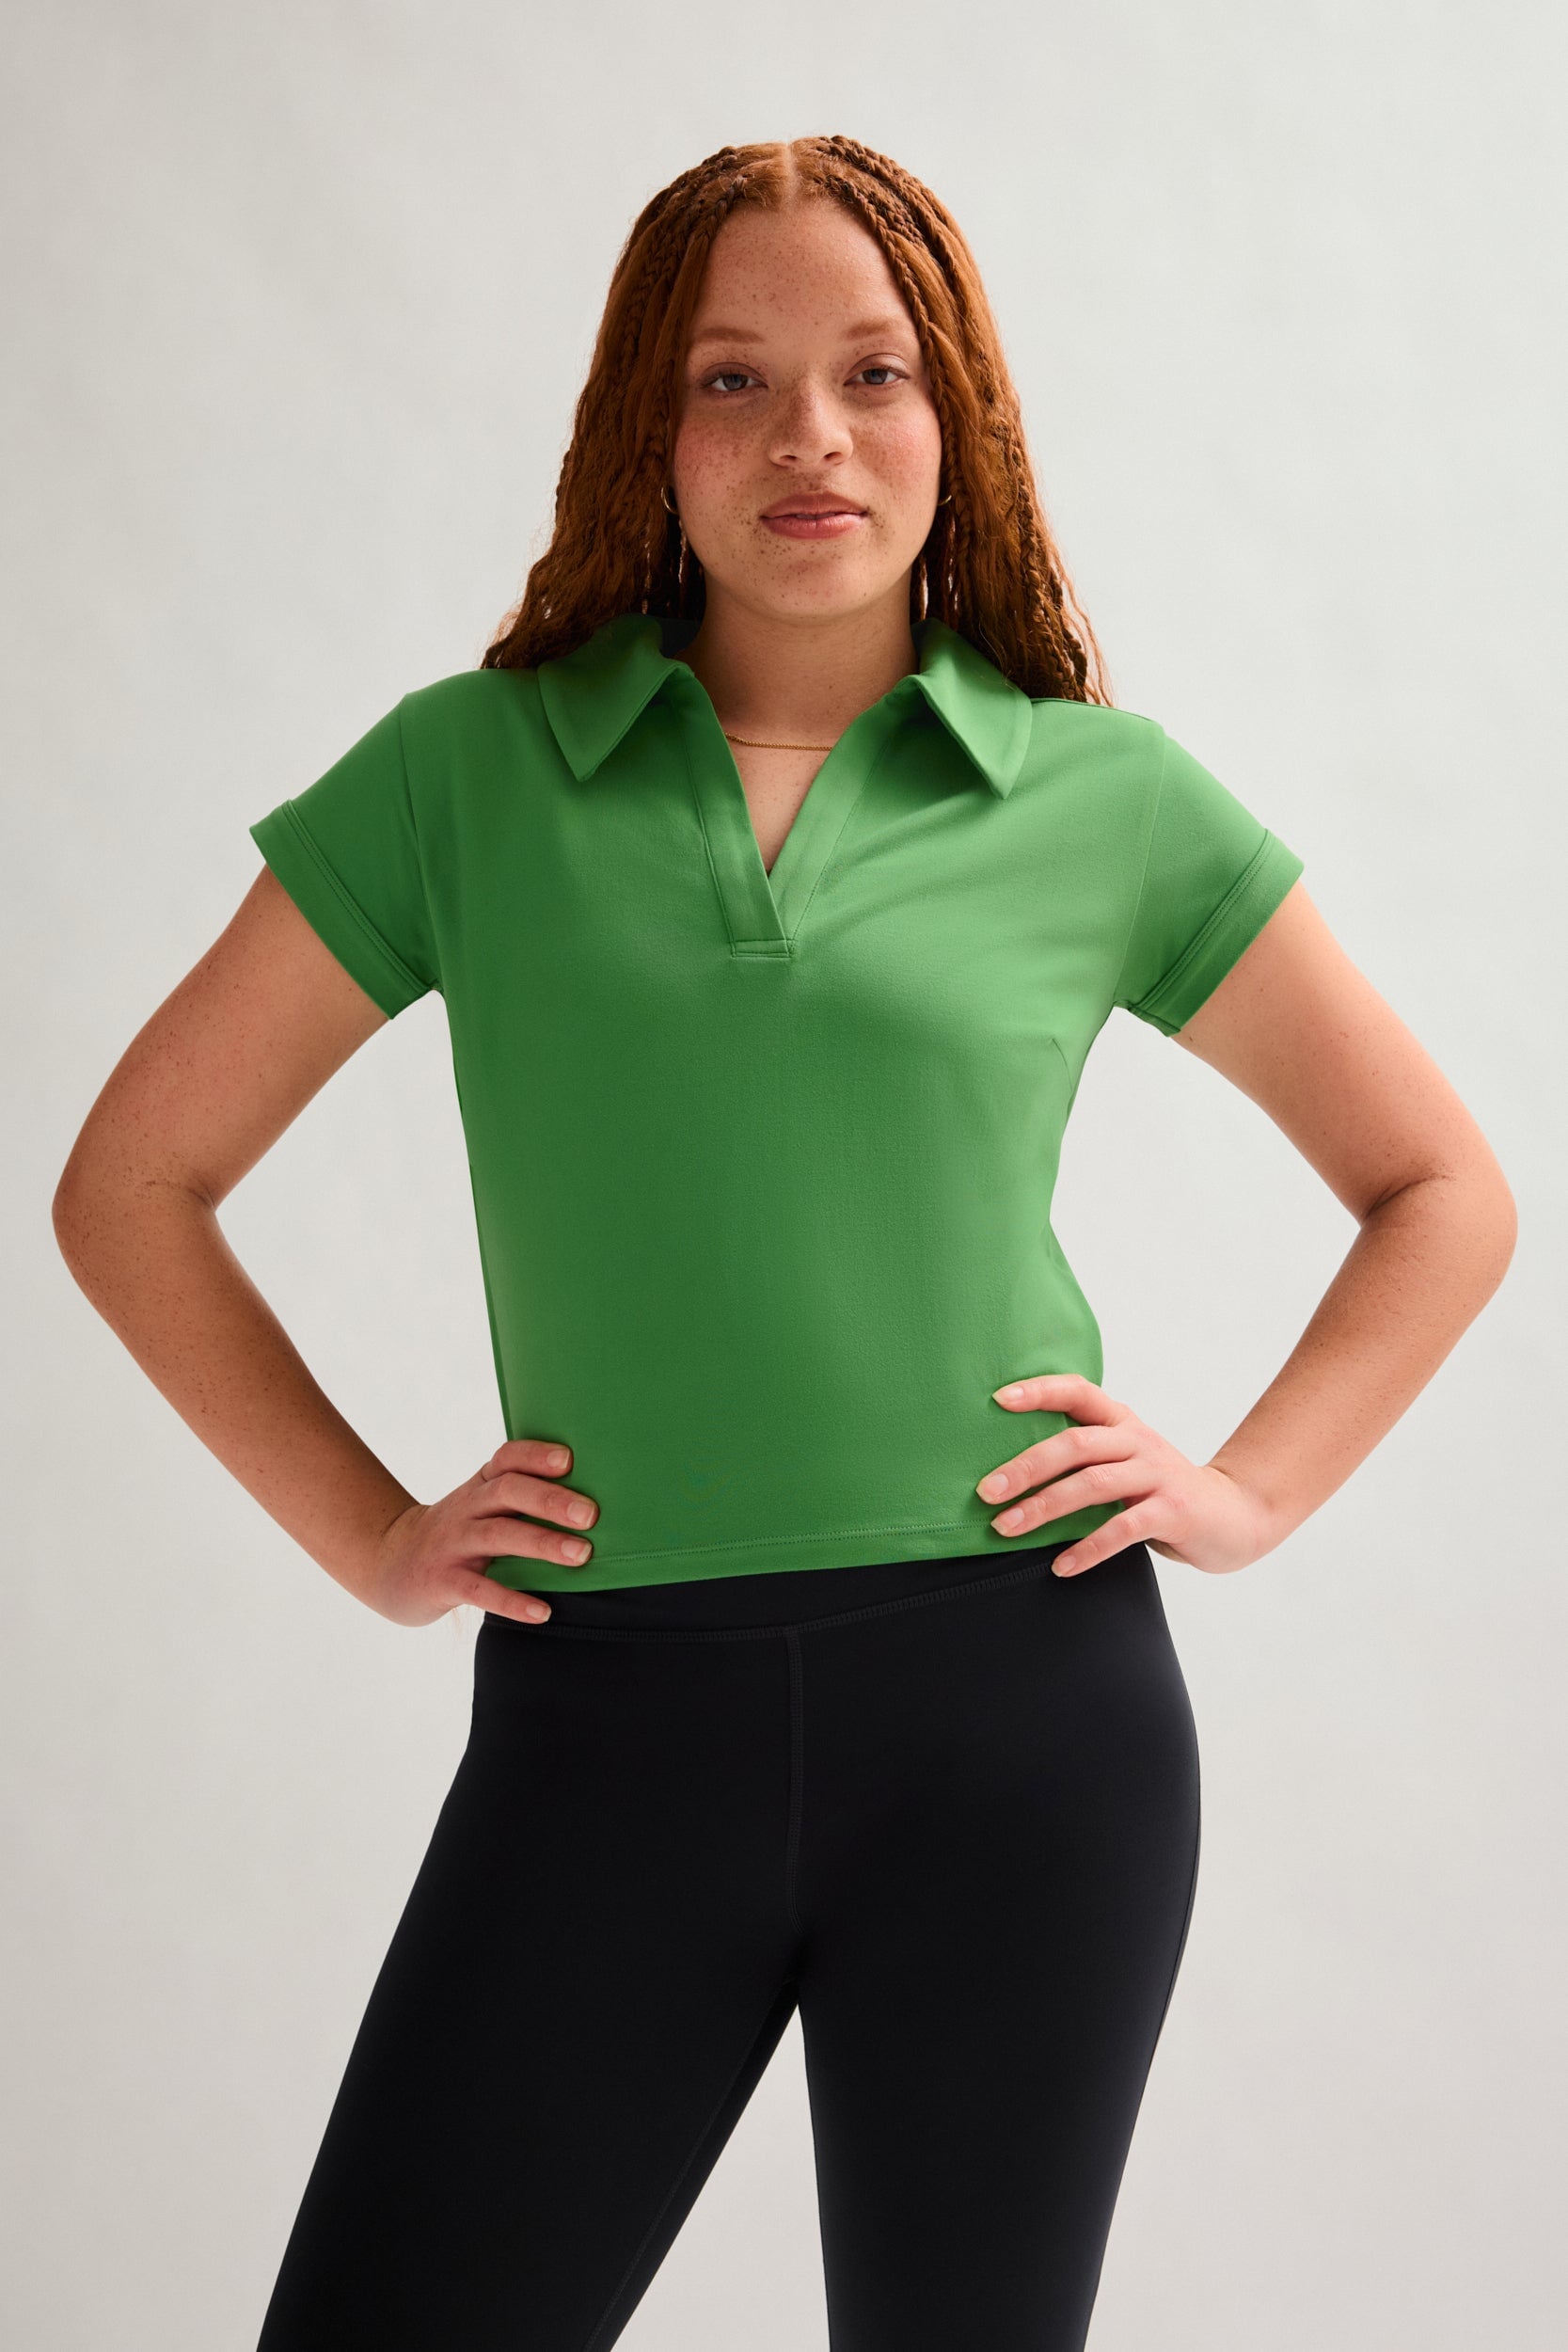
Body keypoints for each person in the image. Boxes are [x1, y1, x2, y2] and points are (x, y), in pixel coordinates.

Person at [52, 135, 1515, 2352]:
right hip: (603, 1727)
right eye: (731, 379)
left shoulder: (1099, 797)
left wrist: (1243, 1488)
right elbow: (131, 1182)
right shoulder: (469, 777)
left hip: (1027, 1717)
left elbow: (1442, 1188)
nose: (809, 435)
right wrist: (369, 1532)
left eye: (873, 372)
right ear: (647, 429)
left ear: (960, 418)